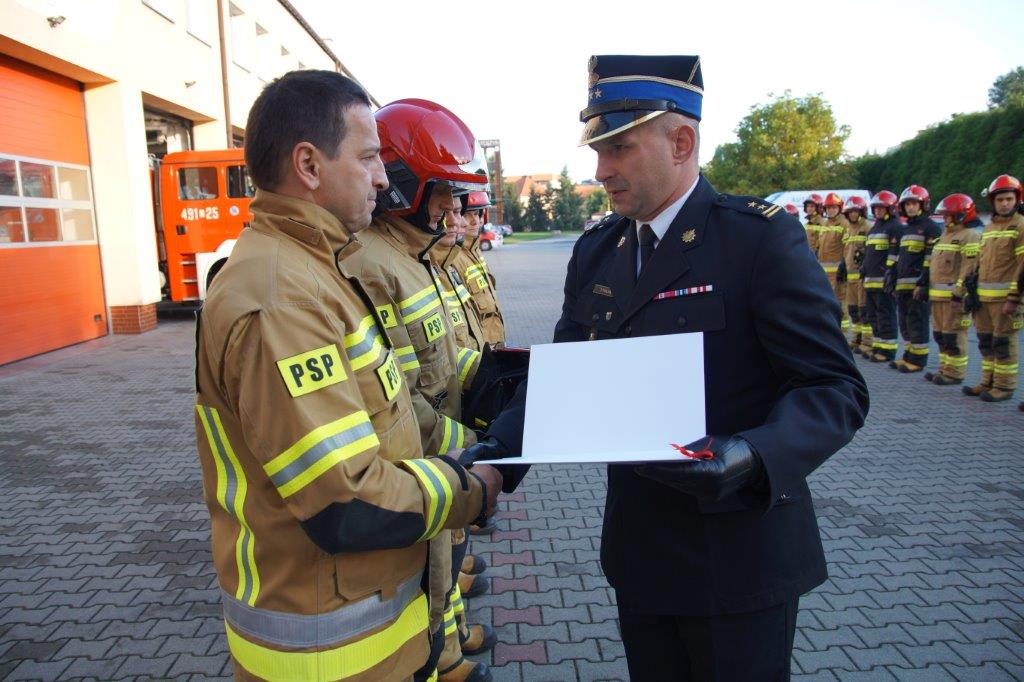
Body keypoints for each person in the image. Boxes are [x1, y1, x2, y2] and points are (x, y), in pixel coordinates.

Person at [463, 54, 868, 680]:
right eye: (598, 151)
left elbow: (833, 388)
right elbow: (567, 378)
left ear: (681, 141)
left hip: (739, 559)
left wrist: (755, 456)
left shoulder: (759, 241)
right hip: (641, 555)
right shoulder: (598, 251)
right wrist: (495, 458)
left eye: (619, 148)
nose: (601, 171)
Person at [193, 71, 500, 681]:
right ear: (309, 164)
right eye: (367, 158)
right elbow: (346, 500)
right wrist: (475, 488)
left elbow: (391, 416)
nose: (384, 179)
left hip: (370, 633)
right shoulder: (280, 298)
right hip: (327, 654)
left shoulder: (321, 270)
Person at [339, 98, 496, 682]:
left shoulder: (417, 256)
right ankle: (441, 658)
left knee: (446, 567)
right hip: (423, 466)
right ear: (406, 187)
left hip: (444, 461)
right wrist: (473, 444)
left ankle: (446, 655)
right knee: (428, 589)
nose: (454, 209)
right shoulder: (373, 263)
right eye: (445, 192)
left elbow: (443, 359)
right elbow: (399, 395)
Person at [963, 174, 1024, 402]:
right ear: (993, 202)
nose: (1005, 203)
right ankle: (987, 381)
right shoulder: (989, 228)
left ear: (1017, 199)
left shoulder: (1020, 226)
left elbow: (1022, 266)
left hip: (1005, 301)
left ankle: (1004, 387)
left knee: (1004, 343)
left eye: (1009, 199)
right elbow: (980, 262)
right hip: (983, 299)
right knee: (986, 343)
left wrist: (1014, 297)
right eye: (1000, 200)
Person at [924, 194, 981, 385]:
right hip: (939, 297)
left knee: (954, 336)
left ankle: (955, 373)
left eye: (948, 215)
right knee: (941, 336)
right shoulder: (945, 236)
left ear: (962, 215)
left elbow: (968, 268)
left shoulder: (969, 236)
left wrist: (959, 293)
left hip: (954, 298)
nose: (945, 218)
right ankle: (944, 368)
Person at [892, 185, 941, 373]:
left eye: (914, 203)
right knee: (905, 322)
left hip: (918, 285)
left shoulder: (930, 228)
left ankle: (918, 360)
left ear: (923, 205)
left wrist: (923, 283)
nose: (911, 207)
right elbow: (900, 258)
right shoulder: (906, 229)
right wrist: (893, 277)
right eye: (908, 204)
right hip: (903, 285)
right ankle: (908, 356)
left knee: (917, 322)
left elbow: (930, 259)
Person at [459, 191, 507, 347]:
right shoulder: (453, 258)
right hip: (482, 348)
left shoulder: (474, 250)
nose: (475, 221)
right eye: (467, 214)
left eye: (477, 214)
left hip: (495, 338)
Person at [861, 190, 902, 362]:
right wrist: (863, 268)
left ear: (891, 208)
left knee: (886, 315)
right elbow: (869, 253)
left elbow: (896, 254)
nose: (877, 211)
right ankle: (878, 346)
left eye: (881, 208)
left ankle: (888, 351)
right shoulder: (875, 227)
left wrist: (891, 274)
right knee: (873, 315)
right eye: (876, 208)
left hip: (884, 281)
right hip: (870, 280)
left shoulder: (895, 227)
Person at [840, 196, 872, 354]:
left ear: (862, 212)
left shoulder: (867, 227)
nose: (852, 215)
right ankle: (856, 339)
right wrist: (842, 266)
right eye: (850, 212)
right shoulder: (849, 229)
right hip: (850, 277)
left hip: (862, 277)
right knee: (853, 309)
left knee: (863, 310)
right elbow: (847, 251)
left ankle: (867, 342)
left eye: (855, 211)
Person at [818, 192, 851, 333]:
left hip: (838, 272)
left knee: (840, 302)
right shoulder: (824, 223)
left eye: (834, 207)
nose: (831, 210)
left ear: (839, 208)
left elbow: (847, 248)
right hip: (823, 272)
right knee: (825, 301)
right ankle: (829, 330)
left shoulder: (845, 223)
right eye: (828, 207)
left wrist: (844, 267)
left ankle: (841, 334)